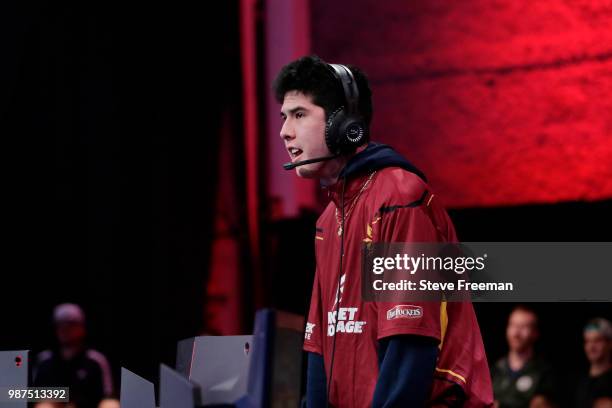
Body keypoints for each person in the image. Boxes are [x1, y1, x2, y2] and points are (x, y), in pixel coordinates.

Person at [274, 55, 493, 407]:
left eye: (299, 114)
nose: (285, 130)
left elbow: (410, 343)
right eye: (284, 117)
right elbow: (319, 344)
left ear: (343, 123)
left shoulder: (399, 198)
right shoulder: (327, 222)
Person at [33, 303, 114, 408]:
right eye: (60, 324)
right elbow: (32, 394)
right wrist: (62, 398)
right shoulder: (44, 360)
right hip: (55, 405)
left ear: (82, 327)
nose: (64, 329)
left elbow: (107, 395)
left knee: (111, 405)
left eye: (70, 324)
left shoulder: (96, 360)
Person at [491, 305, 558, 407]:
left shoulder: (544, 372)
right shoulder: (495, 369)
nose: (516, 333)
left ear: (535, 333)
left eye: (523, 327)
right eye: (513, 325)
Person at [575, 318, 612, 408]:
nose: (591, 347)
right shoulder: (578, 383)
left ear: (610, 343)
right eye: (587, 341)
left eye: (597, 340)